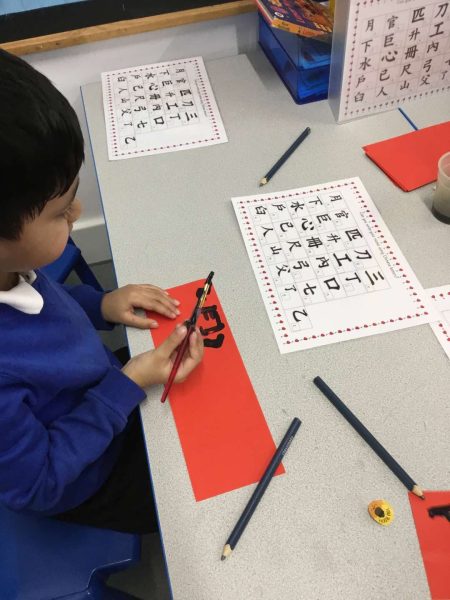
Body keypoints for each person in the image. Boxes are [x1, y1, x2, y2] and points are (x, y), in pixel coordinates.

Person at [0, 49, 204, 534]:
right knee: (207, 498)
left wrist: (101, 305)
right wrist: (127, 384)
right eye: (61, 212)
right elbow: (38, 483)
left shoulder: (13, 269)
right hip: (91, 475)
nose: (77, 213)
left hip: (98, 392)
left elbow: (40, 306)